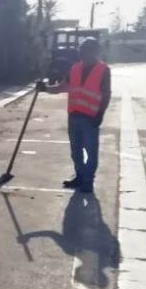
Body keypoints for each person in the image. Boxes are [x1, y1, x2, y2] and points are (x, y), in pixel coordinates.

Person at [38, 38, 112, 193]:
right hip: (74, 115)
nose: (83, 53)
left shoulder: (103, 70)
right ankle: (79, 177)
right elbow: (63, 87)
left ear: (95, 52)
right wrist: (45, 88)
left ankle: (88, 181)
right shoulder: (75, 69)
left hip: (91, 117)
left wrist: (100, 114)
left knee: (91, 151)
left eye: (87, 50)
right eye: (82, 50)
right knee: (75, 150)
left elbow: (106, 94)